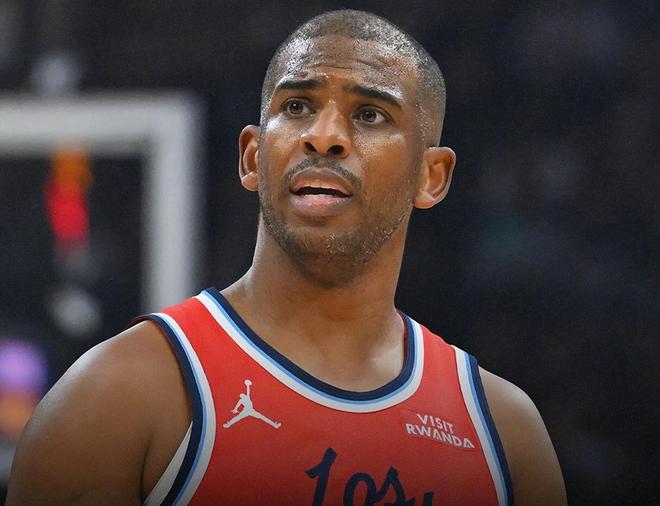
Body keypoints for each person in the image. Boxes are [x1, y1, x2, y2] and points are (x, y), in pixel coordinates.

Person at [6, 9, 566, 506]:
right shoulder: (120, 395)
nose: (324, 136)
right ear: (252, 156)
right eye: (297, 106)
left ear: (432, 175)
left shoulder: (503, 434)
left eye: (370, 114)